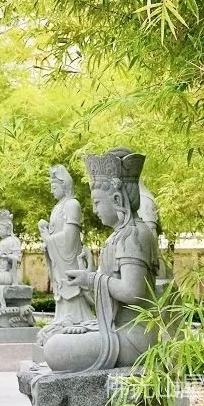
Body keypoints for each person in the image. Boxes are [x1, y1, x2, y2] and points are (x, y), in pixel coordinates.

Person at [42, 149, 159, 372]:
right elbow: (110, 293)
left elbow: (132, 292)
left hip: (133, 337)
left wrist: (92, 278)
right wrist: (91, 274)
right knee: (57, 339)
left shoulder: (134, 234)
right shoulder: (119, 235)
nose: (94, 210)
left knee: (55, 349)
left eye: (97, 202)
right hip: (116, 328)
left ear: (117, 199)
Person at [37, 165, 93, 344]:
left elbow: (70, 237)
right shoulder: (57, 207)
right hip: (59, 260)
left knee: (71, 286)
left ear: (64, 185)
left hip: (69, 258)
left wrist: (48, 239)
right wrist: (47, 236)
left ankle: (76, 317)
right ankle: (62, 317)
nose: (51, 190)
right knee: (61, 288)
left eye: (54, 186)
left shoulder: (72, 205)